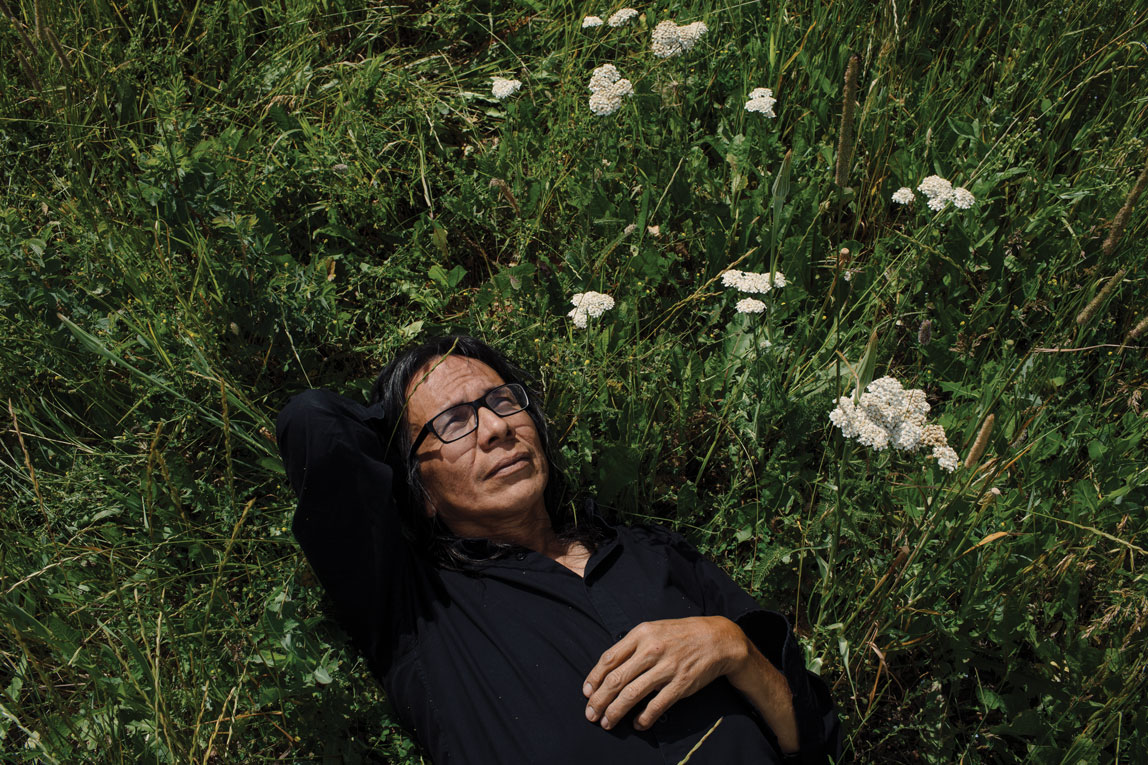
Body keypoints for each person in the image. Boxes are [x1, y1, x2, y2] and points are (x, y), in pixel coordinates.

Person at [277, 335, 841, 764]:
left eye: (502, 401)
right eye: (454, 422)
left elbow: (814, 735)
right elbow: (312, 423)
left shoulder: (649, 551)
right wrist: (394, 419)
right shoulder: (414, 610)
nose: (495, 428)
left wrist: (731, 647)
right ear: (420, 492)